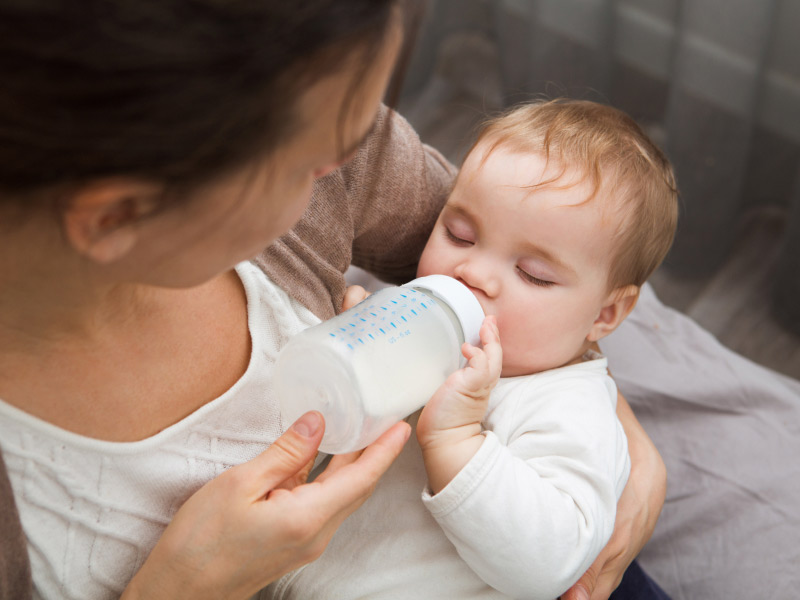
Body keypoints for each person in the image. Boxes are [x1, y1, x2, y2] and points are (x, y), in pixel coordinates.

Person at [0, 2, 667, 599]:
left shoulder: (325, 122)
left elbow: (554, 245)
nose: (350, 158)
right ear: (116, 218)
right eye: (310, 163)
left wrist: (615, 427)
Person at [264, 99, 676, 599]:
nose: (472, 273)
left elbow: (552, 563)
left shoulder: (569, 409)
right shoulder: (422, 337)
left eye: (533, 274)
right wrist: (354, 338)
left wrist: (457, 441)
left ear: (605, 315)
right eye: (458, 234)